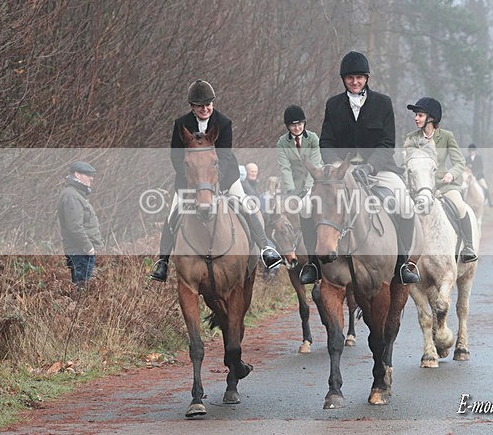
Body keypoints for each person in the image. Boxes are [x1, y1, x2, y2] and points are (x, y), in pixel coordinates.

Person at [302, 51, 420, 285]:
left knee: (405, 205)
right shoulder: (333, 104)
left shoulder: (383, 103)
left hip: (379, 169)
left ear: (367, 78)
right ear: (343, 79)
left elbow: (387, 143)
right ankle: (313, 264)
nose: (355, 82)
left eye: (359, 77)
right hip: (339, 172)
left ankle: (401, 264)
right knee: (307, 206)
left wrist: (369, 167)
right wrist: (338, 167)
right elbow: (326, 142)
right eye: (350, 78)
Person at [150, 80, 282, 282]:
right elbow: (176, 157)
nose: (205, 109)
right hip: (190, 180)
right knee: (172, 215)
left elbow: (225, 157)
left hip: (224, 177)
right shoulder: (181, 124)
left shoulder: (223, 122)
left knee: (246, 206)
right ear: (192, 107)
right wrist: (193, 181)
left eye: (208, 104)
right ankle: (163, 262)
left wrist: (213, 184)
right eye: (200, 106)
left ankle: (265, 249)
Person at [404, 97, 477, 263]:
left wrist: (451, 174)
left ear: (431, 118)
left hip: (445, 186)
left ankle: (468, 246)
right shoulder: (411, 138)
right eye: (416, 115)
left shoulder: (446, 137)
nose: (416, 118)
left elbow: (460, 162)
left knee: (460, 206)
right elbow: (405, 164)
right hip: (418, 188)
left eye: (420, 115)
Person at [275, 105, 323, 282]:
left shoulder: (313, 139)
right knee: (277, 213)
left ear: (304, 123)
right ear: (288, 126)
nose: (297, 128)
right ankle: (280, 254)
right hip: (292, 186)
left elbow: (315, 163)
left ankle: (316, 255)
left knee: (311, 209)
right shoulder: (282, 143)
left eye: (300, 124)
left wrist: (308, 189)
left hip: (313, 183)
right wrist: (290, 191)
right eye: (293, 125)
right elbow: (284, 167)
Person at [58, 161, 104, 289]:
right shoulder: (71, 195)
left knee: (82, 287)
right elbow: (74, 227)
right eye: (88, 174)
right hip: (80, 251)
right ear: (77, 175)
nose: (91, 178)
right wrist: (88, 248)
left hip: (81, 251)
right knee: (81, 289)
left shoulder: (76, 194)